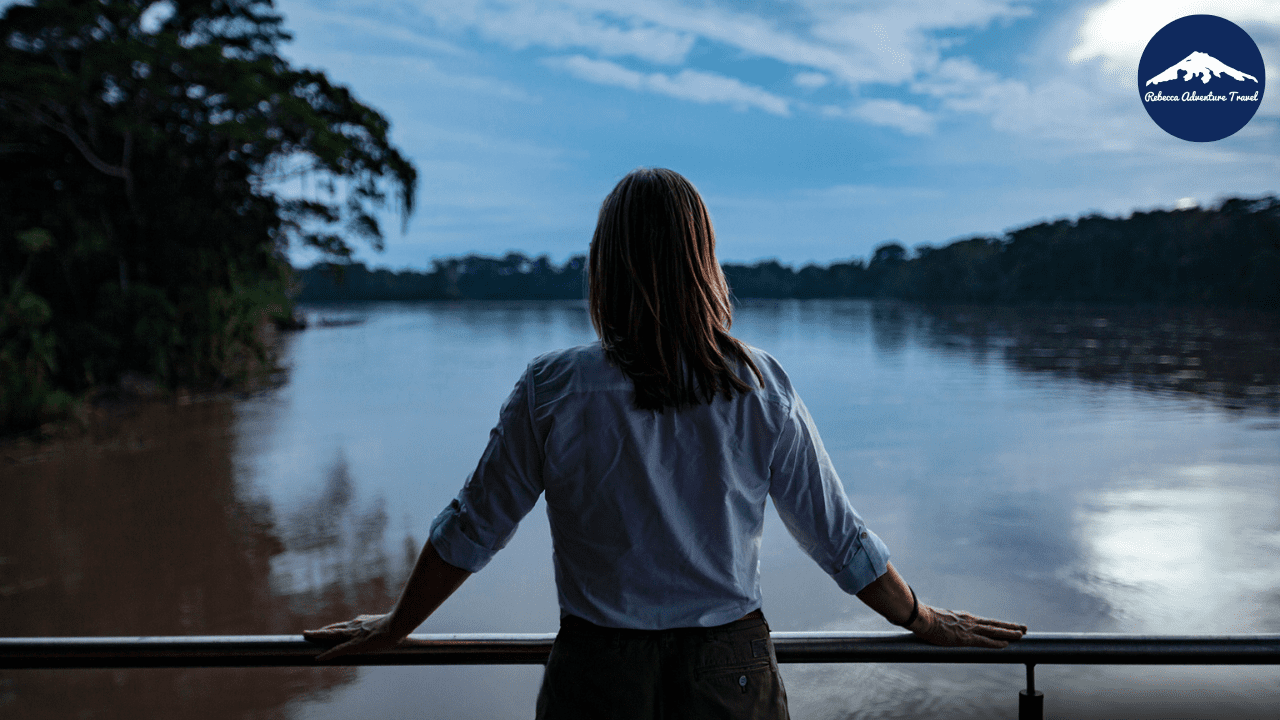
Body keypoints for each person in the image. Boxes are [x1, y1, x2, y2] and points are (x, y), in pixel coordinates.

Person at [304, 168, 1027, 718]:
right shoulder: (758, 383)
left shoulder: (553, 388)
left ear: (602, 263)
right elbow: (839, 541)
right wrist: (922, 618)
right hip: (729, 667)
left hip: (598, 673)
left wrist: (400, 625)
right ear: (703, 259)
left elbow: (473, 527)